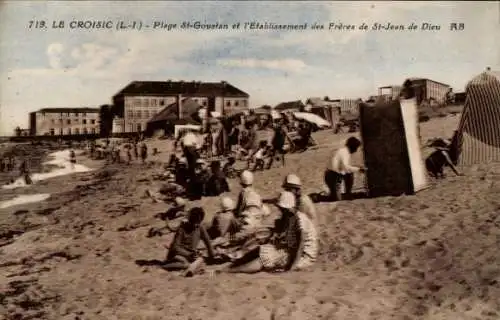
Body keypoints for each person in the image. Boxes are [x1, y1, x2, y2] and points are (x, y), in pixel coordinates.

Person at [224, 191, 317, 273]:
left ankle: (232, 270)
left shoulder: (300, 220)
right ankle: (235, 265)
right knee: (263, 248)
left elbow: (300, 245)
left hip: (304, 256)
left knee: (267, 257)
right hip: (293, 250)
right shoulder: (291, 217)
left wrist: (291, 267)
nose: (280, 210)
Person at [161, 207, 216, 277]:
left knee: (201, 260)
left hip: (189, 256)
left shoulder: (200, 228)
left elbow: (208, 243)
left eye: (198, 222)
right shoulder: (182, 228)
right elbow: (175, 247)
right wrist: (188, 254)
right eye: (194, 222)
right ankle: (164, 266)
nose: (196, 224)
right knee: (186, 264)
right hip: (177, 255)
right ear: (190, 220)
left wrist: (212, 257)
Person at [324, 137, 366, 201]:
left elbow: (342, 167)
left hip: (332, 175)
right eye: (356, 148)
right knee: (350, 173)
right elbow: (346, 168)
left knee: (336, 197)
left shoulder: (343, 150)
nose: (356, 151)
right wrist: (359, 169)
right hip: (332, 176)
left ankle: (340, 193)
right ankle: (347, 193)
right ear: (353, 147)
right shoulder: (345, 153)